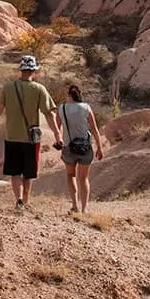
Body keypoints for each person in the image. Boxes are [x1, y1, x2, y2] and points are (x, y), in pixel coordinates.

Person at [0, 55, 61, 209]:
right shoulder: (39, 89)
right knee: (28, 172)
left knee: (15, 171)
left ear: (21, 70)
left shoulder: (8, 87)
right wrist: (57, 134)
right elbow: (49, 114)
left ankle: (18, 200)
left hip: (12, 136)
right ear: (34, 71)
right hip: (31, 138)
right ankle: (26, 200)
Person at [53, 84, 105, 213]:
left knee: (71, 175)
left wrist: (58, 141)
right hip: (85, 148)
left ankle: (75, 205)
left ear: (69, 95)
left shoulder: (62, 108)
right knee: (84, 178)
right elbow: (94, 129)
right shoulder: (86, 107)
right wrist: (99, 147)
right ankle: (84, 208)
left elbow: (57, 129)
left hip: (69, 148)